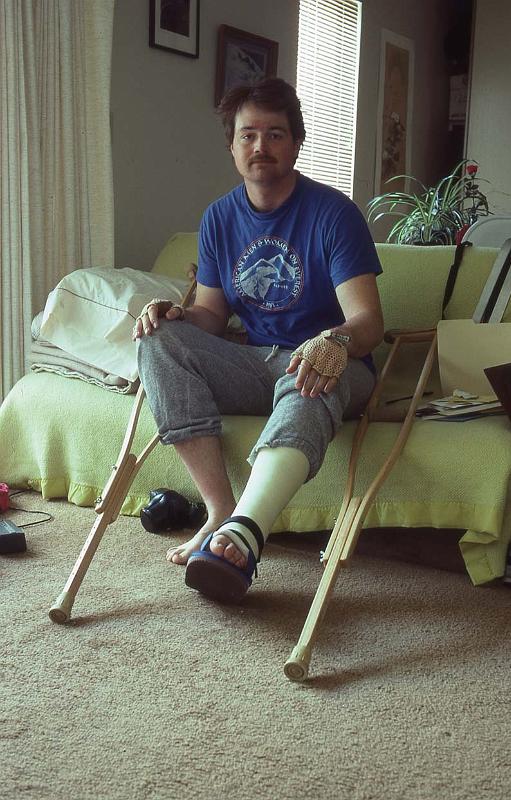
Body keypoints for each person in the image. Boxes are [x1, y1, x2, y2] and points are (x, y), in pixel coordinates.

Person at [133, 77, 384, 603]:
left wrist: (334, 341)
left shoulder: (333, 214)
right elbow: (211, 316)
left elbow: (367, 322)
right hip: (253, 361)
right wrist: (175, 315)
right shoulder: (219, 218)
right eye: (248, 135)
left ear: (297, 142)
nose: (260, 147)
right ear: (232, 145)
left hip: (334, 361)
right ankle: (220, 510)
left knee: (306, 375)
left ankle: (246, 533)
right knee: (158, 340)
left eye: (275, 134)